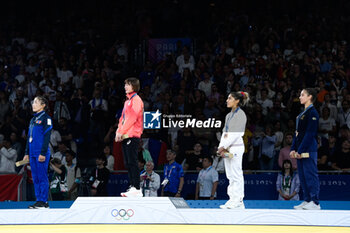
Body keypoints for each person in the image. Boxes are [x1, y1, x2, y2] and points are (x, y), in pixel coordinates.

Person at [218, 91, 249, 209]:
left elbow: (236, 134)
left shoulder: (241, 115)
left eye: (230, 98)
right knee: (230, 175)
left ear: (237, 101)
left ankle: (239, 200)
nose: (227, 100)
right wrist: (220, 148)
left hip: (236, 147)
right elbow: (224, 133)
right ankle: (232, 199)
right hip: (227, 148)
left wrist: (223, 147)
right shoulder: (228, 115)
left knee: (236, 174)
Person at [290, 88, 321, 210]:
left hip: (308, 149)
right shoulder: (301, 114)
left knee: (310, 175)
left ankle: (315, 201)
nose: (300, 97)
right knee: (302, 175)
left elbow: (309, 134)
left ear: (310, 97)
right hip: (300, 149)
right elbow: (297, 134)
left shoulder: (313, 113)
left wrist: (300, 150)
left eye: (302, 95)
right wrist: (293, 148)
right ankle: (307, 199)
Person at [115, 77, 144, 197]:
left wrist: (122, 131)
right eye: (125, 84)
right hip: (125, 135)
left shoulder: (136, 100)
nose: (125, 86)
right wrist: (118, 131)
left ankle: (137, 187)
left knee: (132, 161)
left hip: (132, 135)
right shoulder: (127, 102)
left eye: (127, 85)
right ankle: (133, 186)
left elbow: (132, 118)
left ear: (134, 86)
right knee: (127, 162)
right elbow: (122, 119)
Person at [23, 96, 52, 209]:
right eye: (33, 102)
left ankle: (44, 201)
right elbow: (29, 137)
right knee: (35, 177)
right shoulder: (32, 120)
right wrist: (26, 153)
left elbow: (47, 137)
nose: (33, 104)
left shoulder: (46, 118)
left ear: (43, 105)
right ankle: (38, 200)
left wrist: (43, 153)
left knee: (42, 176)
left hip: (41, 153)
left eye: (36, 102)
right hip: (32, 153)